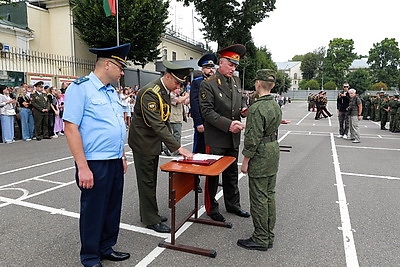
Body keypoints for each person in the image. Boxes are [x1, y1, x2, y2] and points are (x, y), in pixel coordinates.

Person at [63, 43, 131, 267]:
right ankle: (90, 256)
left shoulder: (111, 91)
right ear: (108, 64)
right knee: (93, 209)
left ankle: (106, 247)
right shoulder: (80, 88)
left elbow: (115, 125)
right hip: (94, 161)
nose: (122, 72)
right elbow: (71, 127)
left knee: (112, 207)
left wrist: (120, 155)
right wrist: (82, 166)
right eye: (120, 67)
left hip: (113, 159)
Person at [128, 60, 194, 233]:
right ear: (167, 76)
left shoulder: (164, 91)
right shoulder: (151, 92)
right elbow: (157, 124)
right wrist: (177, 147)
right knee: (147, 181)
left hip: (152, 142)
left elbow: (165, 120)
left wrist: (171, 143)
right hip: (143, 143)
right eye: (177, 82)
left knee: (151, 180)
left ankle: (150, 213)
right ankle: (151, 219)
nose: (178, 86)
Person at [200, 44, 250, 222]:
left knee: (231, 174)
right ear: (220, 63)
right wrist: (229, 125)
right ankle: (211, 208)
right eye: (230, 64)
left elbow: (240, 101)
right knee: (213, 175)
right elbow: (207, 112)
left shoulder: (236, 81)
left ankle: (233, 205)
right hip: (216, 137)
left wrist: (243, 110)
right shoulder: (209, 84)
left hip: (233, 137)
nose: (233, 68)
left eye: (235, 65)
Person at [237, 69, 282, 251]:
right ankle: (269, 234)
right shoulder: (275, 105)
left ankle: (261, 238)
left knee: (258, 198)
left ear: (257, 84)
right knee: (269, 195)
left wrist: (245, 161)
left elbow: (253, 138)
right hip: (272, 151)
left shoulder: (256, 108)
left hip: (261, 155)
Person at [190, 53, 217, 193]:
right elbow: (194, 104)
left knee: (214, 152)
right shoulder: (198, 82)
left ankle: (213, 178)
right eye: (207, 67)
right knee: (198, 153)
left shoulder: (217, 82)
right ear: (202, 69)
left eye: (212, 67)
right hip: (202, 124)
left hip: (214, 125)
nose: (211, 70)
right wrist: (198, 123)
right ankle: (195, 181)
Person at [169, 86, 189, 156]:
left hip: (178, 118)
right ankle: (166, 148)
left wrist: (189, 96)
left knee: (177, 135)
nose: (179, 90)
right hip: (173, 118)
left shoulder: (179, 96)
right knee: (176, 135)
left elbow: (185, 102)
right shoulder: (171, 95)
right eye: (177, 88)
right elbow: (179, 101)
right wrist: (186, 95)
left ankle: (176, 149)